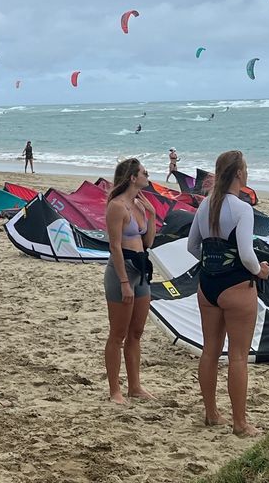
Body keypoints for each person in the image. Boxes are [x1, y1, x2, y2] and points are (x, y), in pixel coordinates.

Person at [189, 150, 269, 437]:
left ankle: (211, 413)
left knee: (210, 350)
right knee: (237, 356)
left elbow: (191, 247)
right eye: (245, 169)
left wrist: (214, 260)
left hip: (207, 285)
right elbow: (247, 255)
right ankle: (240, 423)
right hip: (236, 285)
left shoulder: (206, 205)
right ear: (238, 174)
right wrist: (259, 270)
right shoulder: (241, 208)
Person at [103, 158, 157, 404]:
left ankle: (135, 386)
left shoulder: (138, 205)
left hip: (141, 269)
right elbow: (114, 246)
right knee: (118, 333)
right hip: (122, 270)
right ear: (133, 178)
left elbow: (147, 243)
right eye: (144, 173)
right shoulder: (117, 206)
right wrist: (124, 281)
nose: (148, 176)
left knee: (137, 332)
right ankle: (115, 390)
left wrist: (152, 215)